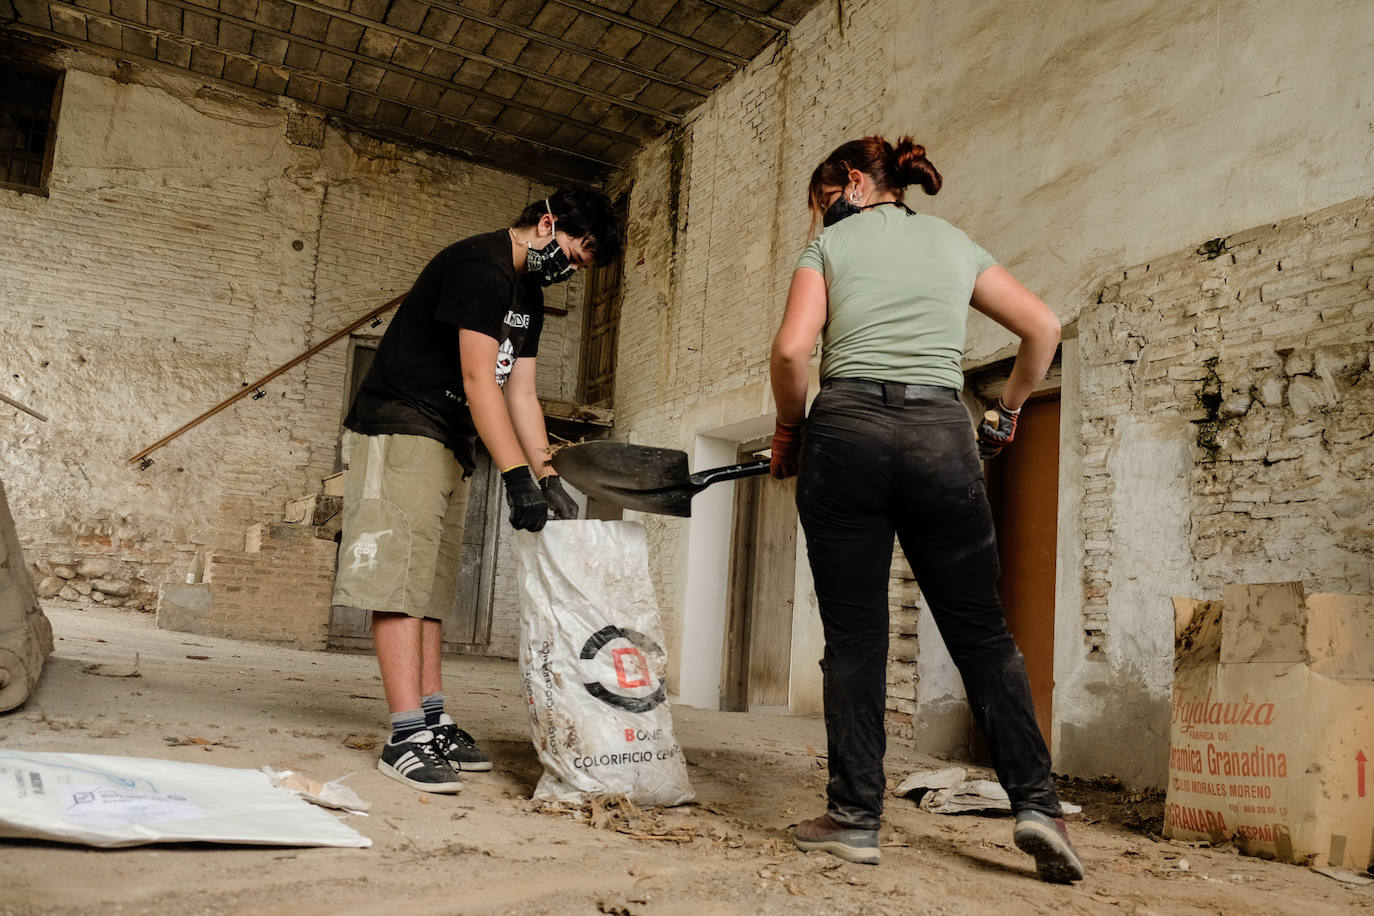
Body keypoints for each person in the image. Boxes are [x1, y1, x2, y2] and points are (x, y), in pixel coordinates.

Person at [767, 136, 1082, 882]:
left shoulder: (827, 249)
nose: (823, 217)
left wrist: (790, 430)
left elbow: (790, 354)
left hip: (844, 434)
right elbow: (1043, 328)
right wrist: (1006, 412)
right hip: (941, 435)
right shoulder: (953, 242)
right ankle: (1038, 806)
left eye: (822, 203)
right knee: (981, 632)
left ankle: (852, 820)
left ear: (849, 182)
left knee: (855, 636)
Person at [333, 188, 621, 794]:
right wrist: (516, 477)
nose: (570, 269)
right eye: (573, 252)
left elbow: (520, 393)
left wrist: (547, 474)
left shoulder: (528, 298)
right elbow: (476, 378)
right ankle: (406, 734)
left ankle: (432, 718)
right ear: (547, 224)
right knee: (401, 579)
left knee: (434, 584)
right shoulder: (479, 267)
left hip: (450, 435)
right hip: (403, 420)